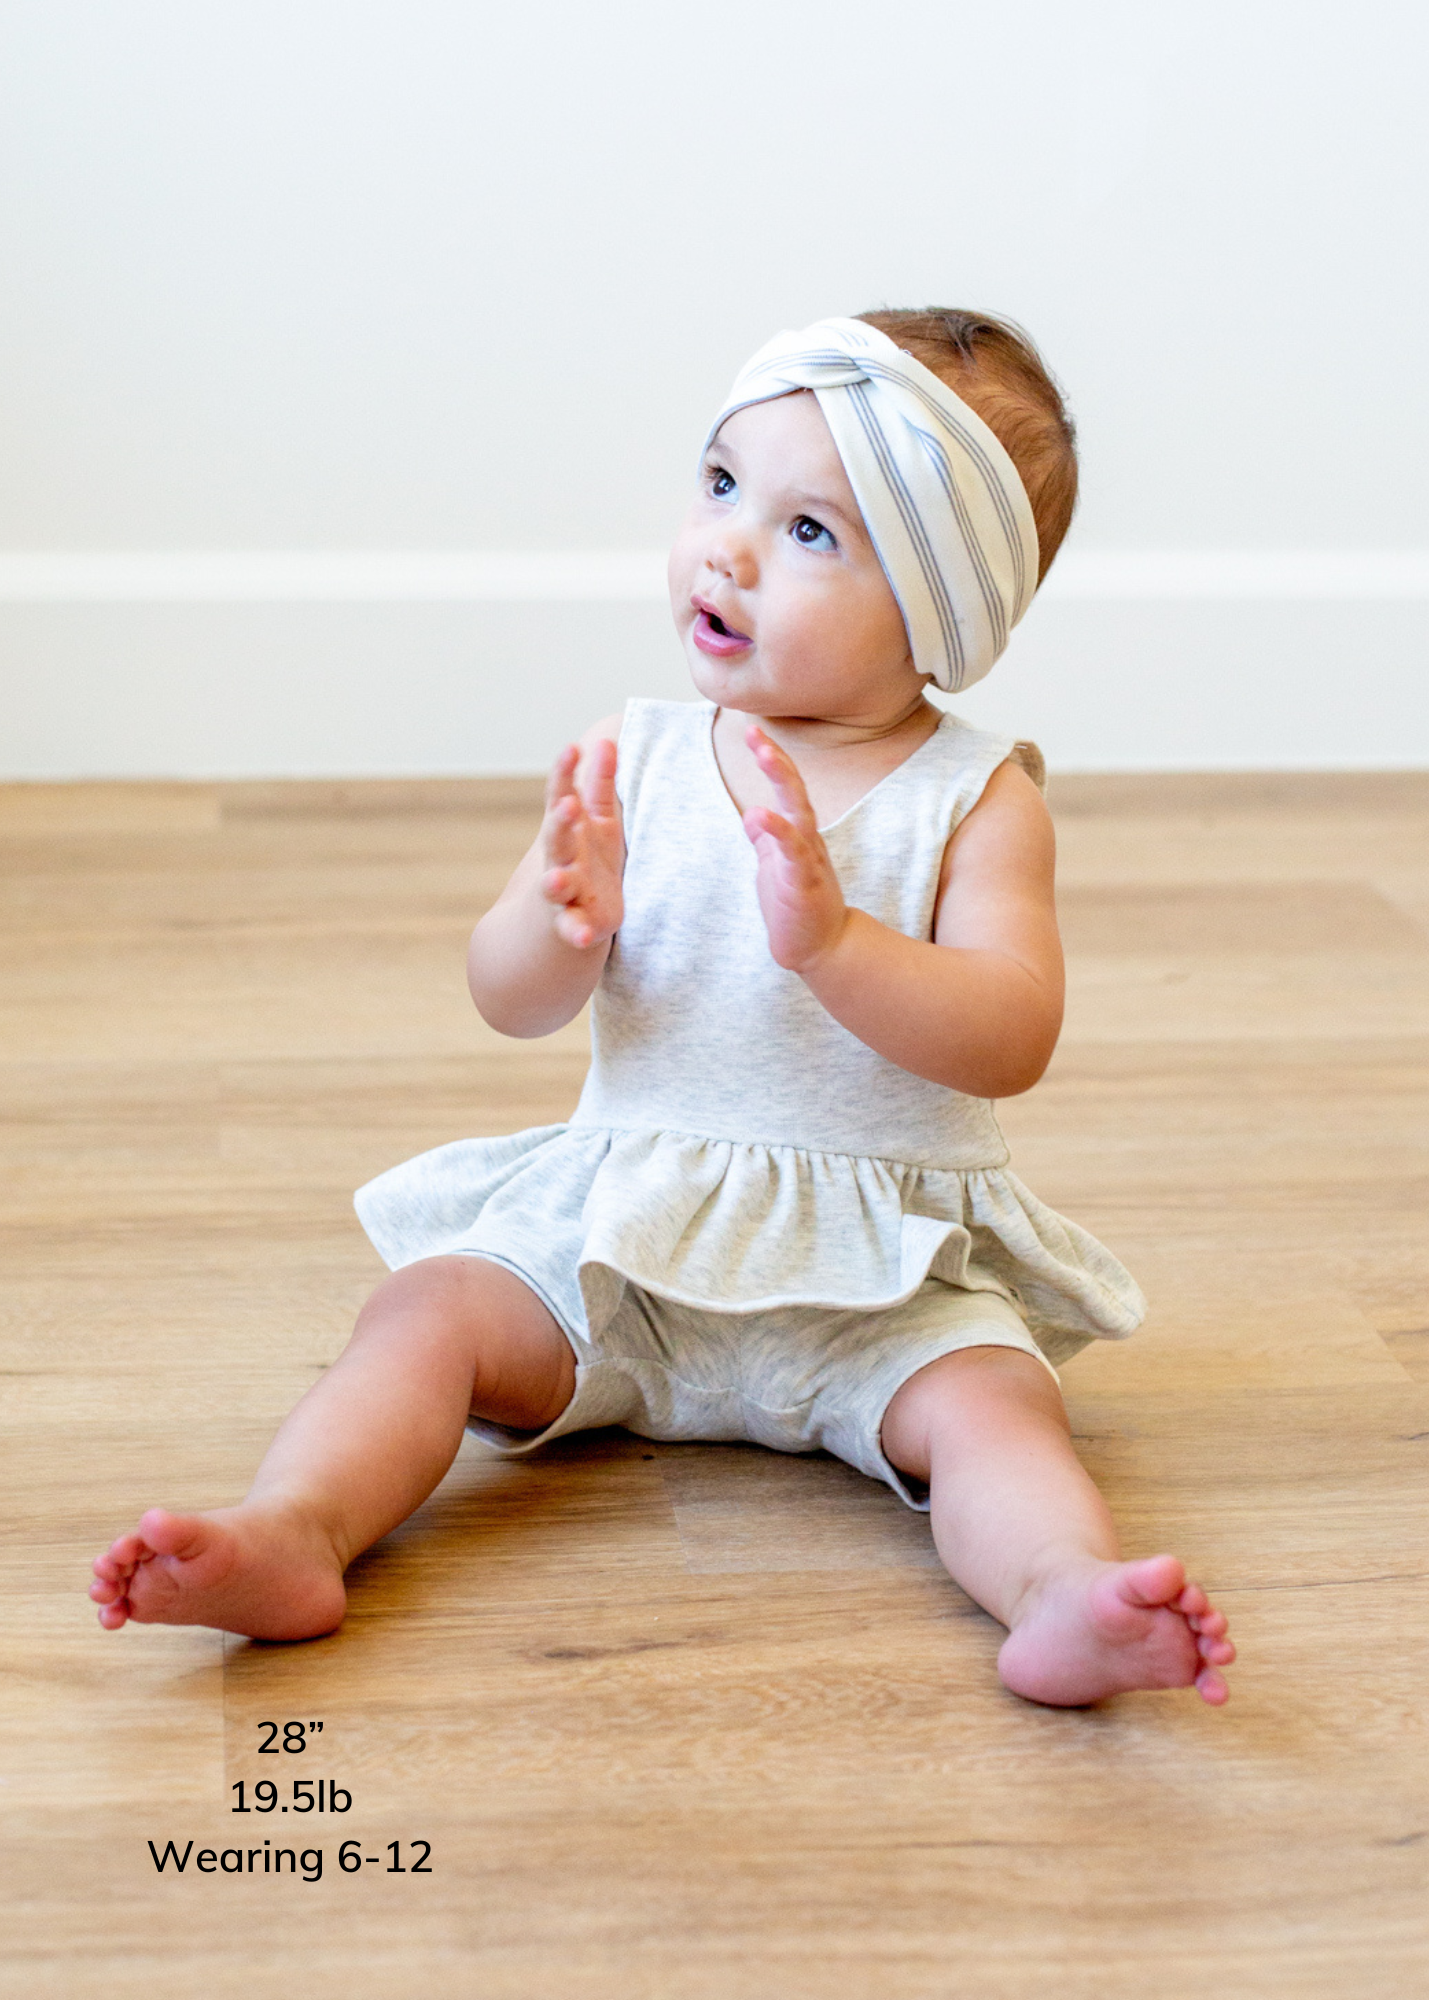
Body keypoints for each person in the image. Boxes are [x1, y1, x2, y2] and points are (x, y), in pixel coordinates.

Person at [91, 310, 1235, 1706]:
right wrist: (552, 925)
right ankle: (295, 1528)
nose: (730, 545)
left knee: (998, 1410)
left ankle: (1061, 1595)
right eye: (719, 483)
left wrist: (836, 943)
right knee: (430, 1310)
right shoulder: (634, 758)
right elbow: (504, 1000)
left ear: (938, 612)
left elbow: (1013, 1030)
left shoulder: (977, 801)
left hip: (875, 1279)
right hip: (615, 1249)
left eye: (810, 531)